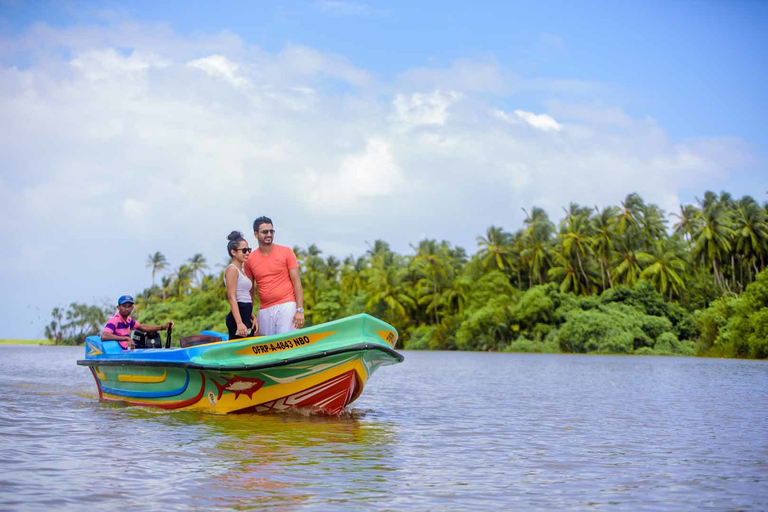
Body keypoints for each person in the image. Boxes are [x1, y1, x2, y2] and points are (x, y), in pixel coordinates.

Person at [244, 216, 305, 336]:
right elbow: (250, 291)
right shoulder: (250, 259)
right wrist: (249, 316)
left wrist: (299, 310)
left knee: (286, 344)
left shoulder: (286, 252)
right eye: (265, 232)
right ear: (256, 234)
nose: (269, 234)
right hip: (265, 310)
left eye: (271, 231)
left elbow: (297, 283)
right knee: (267, 347)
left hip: (287, 305)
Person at [101, 295, 173, 350]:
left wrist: (163, 327)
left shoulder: (128, 320)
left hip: (124, 352)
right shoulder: (114, 320)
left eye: (129, 306)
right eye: (124, 306)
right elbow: (104, 336)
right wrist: (126, 339)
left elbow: (142, 327)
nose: (126, 309)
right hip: (115, 353)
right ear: (118, 307)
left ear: (132, 308)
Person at [224, 230, 258, 339]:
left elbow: (244, 295)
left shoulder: (242, 270)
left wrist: (252, 316)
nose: (247, 253)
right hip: (238, 318)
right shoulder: (232, 270)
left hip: (245, 314)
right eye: (244, 250)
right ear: (233, 252)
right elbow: (232, 297)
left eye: (249, 250)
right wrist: (239, 323)